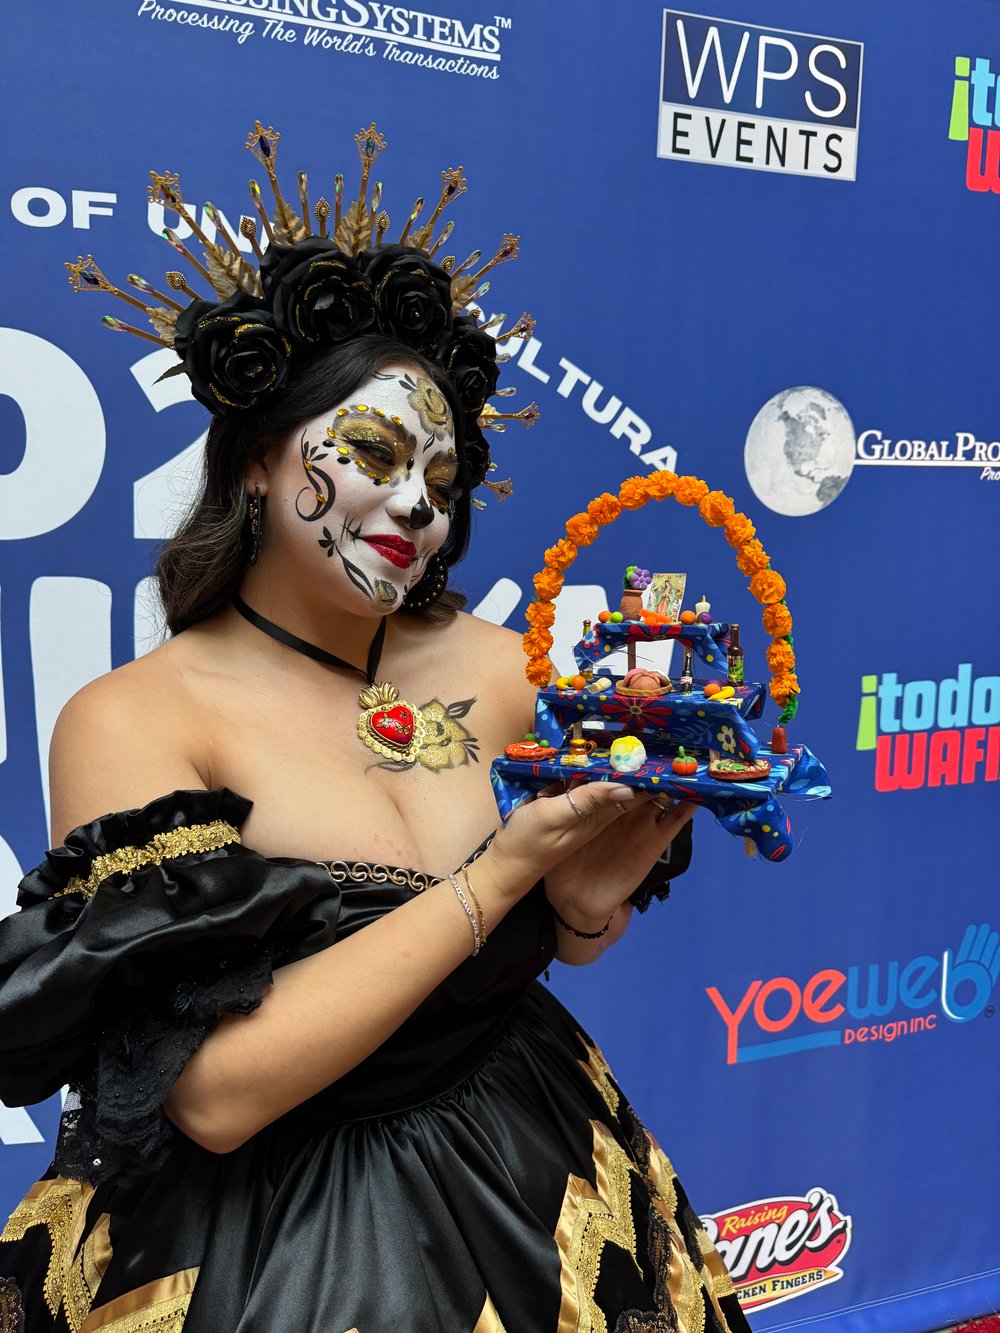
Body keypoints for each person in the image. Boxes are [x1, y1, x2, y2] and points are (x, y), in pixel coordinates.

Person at [0, 123, 751, 1333]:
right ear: (254, 461)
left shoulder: (507, 667)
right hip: (256, 1253)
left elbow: (561, 940)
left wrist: (585, 901)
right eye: (374, 453)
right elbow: (213, 1096)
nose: (415, 504)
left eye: (443, 482)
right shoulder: (136, 718)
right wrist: (501, 874)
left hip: (539, 1181)